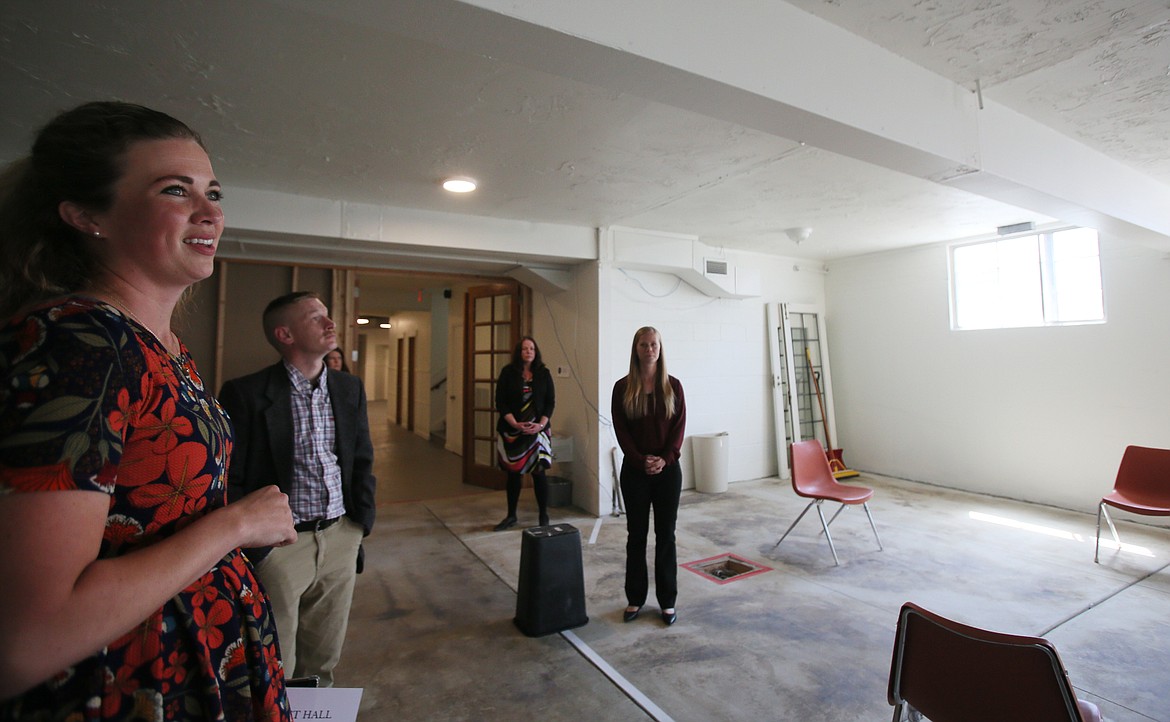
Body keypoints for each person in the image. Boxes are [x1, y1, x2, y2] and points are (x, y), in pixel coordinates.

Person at [0, 101, 297, 720]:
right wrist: (236, 527)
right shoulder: (81, 342)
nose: (212, 211)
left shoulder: (156, 345)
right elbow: (27, 641)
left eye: (212, 191)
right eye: (175, 190)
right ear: (87, 216)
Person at [218, 292, 376, 688]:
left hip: (340, 536)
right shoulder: (246, 393)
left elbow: (361, 460)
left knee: (323, 658)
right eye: (315, 318)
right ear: (284, 334)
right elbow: (230, 477)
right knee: (277, 661)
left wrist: (359, 526)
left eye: (327, 315)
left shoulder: (348, 388)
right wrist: (259, 551)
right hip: (282, 547)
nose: (330, 324)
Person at [611, 326, 686, 627]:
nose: (649, 349)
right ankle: (635, 599)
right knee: (636, 537)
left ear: (660, 348)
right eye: (644, 344)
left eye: (654, 344)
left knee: (666, 537)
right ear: (636, 349)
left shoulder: (674, 386)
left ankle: (667, 602)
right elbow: (622, 431)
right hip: (635, 472)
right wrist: (641, 461)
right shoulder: (622, 387)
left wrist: (664, 460)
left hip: (668, 473)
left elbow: (678, 430)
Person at [493, 336, 556, 530]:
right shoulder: (508, 373)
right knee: (513, 475)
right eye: (524, 348)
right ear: (518, 352)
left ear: (535, 353)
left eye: (532, 349)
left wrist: (541, 425)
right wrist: (516, 424)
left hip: (538, 432)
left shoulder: (543, 373)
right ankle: (511, 515)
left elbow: (550, 402)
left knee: (539, 474)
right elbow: (500, 402)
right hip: (512, 432)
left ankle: (543, 516)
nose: (528, 351)